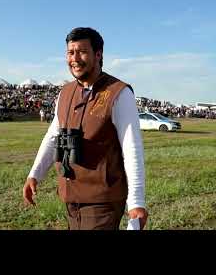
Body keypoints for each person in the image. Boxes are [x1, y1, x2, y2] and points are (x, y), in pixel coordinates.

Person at [22, 27, 148, 230]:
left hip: (103, 200)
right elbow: (53, 136)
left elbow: (132, 149)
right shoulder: (65, 92)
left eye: (82, 52)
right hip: (71, 196)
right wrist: (35, 174)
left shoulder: (119, 93)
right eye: (70, 52)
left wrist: (136, 202)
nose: (75, 59)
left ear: (98, 55)